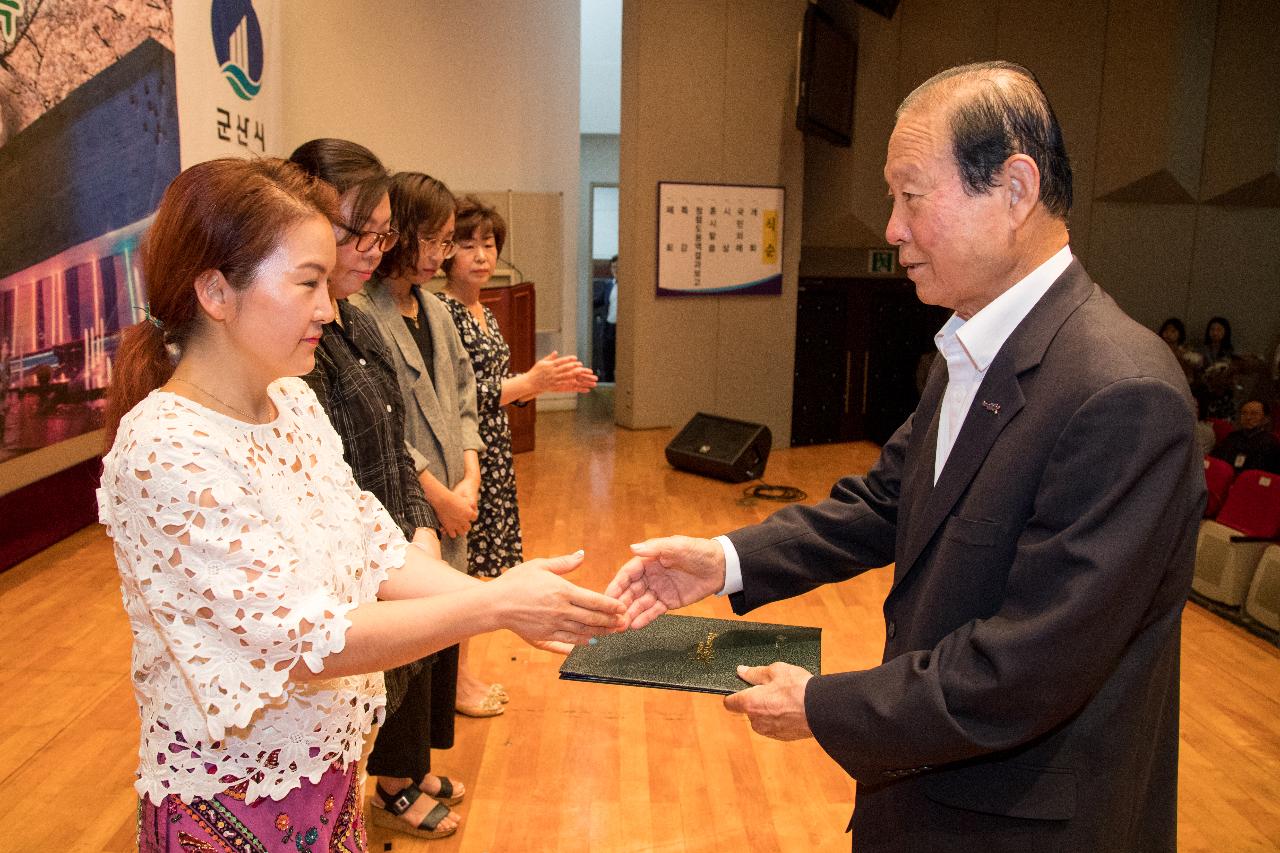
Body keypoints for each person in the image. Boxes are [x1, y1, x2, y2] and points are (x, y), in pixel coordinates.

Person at [608, 62, 1203, 852]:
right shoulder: (976, 345)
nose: (890, 228)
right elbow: (887, 501)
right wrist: (722, 560)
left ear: (1016, 190)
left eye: (911, 195)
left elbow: (1029, 667)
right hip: (927, 794)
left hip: (1021, 824)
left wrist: (823, 706)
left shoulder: (1122, 394)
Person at [98, 157, 624, 851]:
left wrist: (499, 591)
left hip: (327, 777)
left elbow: (380, 551)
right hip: (230, 800)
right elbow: (303, 641)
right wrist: (494, 605)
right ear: (217, 291)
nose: (328, 308)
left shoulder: (291, 402)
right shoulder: (165, 446)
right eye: (308, 283)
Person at [287, 139, 466, 838]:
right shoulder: (297, 346)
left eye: (381, 232)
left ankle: (403, 770)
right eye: (355, 231)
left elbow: (394, 435)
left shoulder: (352, 316)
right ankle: (391, 782)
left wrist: (418, 522)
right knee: (378, 678)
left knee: (416, 663)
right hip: (361, 557)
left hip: (395, 535)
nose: (371, 248)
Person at [436, 196, 597, 714]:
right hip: (464, 461)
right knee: (462, 579)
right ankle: (457, 684)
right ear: (444, 253)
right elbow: (455, 400)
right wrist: (528, 382)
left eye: (488, 244)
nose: (481, 256)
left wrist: (538, 385)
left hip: (494, 456)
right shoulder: (442, 312)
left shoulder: (485, 310)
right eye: (467, 244)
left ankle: (464, 675)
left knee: (481, 573)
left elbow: (495, 389)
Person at [1211, 399, 1280, 473]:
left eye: (1254, 414)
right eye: (1244, 413)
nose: (1248, 417)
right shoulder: (1232, 437)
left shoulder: (1271, 443)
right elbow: (1215, 459)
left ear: (1266, 419)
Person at [601, 255, 618, 382]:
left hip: (622, 328)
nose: (616, 269)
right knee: (608, 359)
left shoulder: (629, 286)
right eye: (613, 267)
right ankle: (608, 384)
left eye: (618, 267)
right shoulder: (608, 285)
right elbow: (599, 301)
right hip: (609, 327)